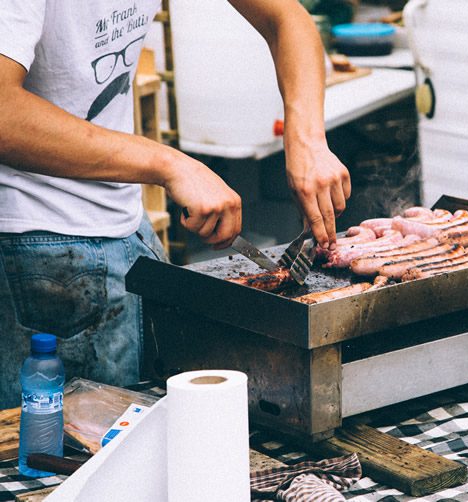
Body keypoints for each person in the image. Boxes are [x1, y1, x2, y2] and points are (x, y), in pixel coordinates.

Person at [0, 0, 351, 408]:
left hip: (124, 225)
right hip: (38, 251)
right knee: (74, 460)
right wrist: (168, 164)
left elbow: (286, 18)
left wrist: (307, 138)